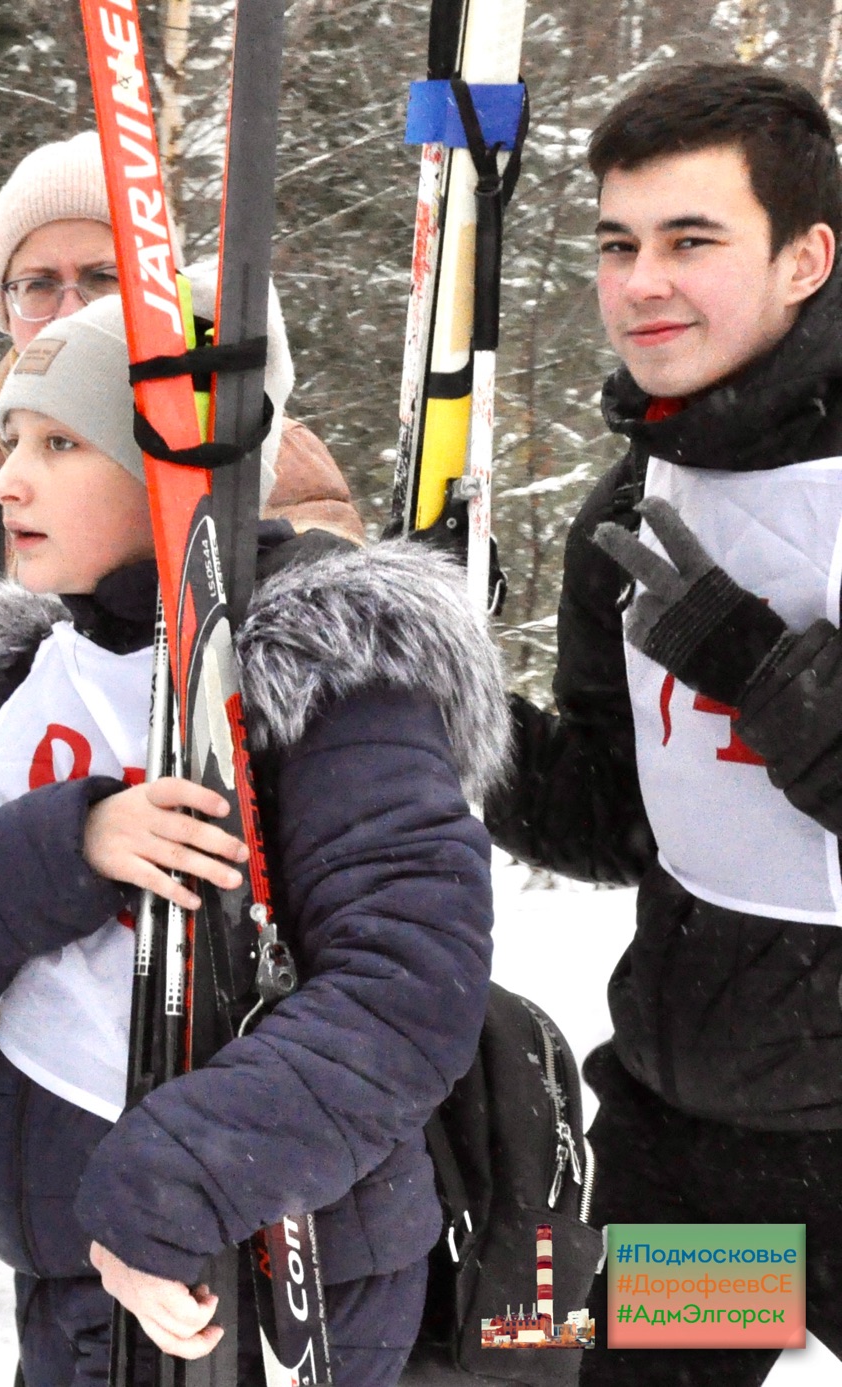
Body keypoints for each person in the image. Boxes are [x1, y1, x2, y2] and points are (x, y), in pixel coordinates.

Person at [0, 298, 505, 1386]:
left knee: (699, 1307)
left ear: (179, 466)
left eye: (58, 443)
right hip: (70, 1260)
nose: (6, 480)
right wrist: (69, 842)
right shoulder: (23, 673)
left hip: (278, 1276)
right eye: (9, 443)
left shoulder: (331, 672)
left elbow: (403, 990)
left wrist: (171, 1185)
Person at [484, 64, 842, 1387]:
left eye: (693, 240)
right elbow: (615, 817)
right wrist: (459, 721)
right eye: (619, 244)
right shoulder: (632, 503)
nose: (643, 282)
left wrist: (749, 655)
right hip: (699, 1143)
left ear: (807, 256)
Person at [0, 131, 364, 767]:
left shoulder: (263, 448)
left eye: (104, 278)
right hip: (8, 831)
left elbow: (327, 671)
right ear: (4, 306)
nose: (68, 308)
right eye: (37, 284)